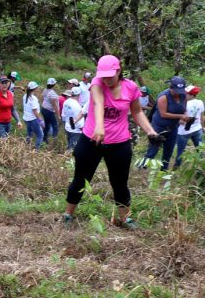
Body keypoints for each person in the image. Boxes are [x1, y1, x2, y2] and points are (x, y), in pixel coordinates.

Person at [62, 55, 159, 229]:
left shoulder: (131, 87)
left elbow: (137, 112)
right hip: (91, 140)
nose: (106, 79)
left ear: (119, 71)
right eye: (103, 75)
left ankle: (125, 218)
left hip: (119, 143)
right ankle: (68, 215)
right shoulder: (97, 83)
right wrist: (99, 127)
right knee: (81, 179)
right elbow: (98, 103)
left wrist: (150, 131)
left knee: (120, 183)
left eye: (110, 76)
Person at [141, 76, 188, 170]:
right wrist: (180, 117)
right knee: (153, 149)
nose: (178, 92)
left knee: (169, 150)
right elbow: (163, 114)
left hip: (173, 127)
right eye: (176, 90)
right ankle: (142, 167)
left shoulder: (183, 95)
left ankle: (164, 170)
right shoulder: (164, 96)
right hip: (159, 127)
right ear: (171, 87)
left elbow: (184, 109)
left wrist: (186, 115)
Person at [175, 85, 203, 168]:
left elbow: (180, 121)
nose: (184, 94)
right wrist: (203, 127)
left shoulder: (183, 104)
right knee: (200, 150)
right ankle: (201, 166)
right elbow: (201, 117)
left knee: (180, 151)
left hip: (183, 132)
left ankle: (176, 167)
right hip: (197, 129)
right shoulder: (200, 102)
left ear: (192, 95)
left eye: (187, 93)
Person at [22, 81, 46, 149]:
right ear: (35, 88)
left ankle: (26, 146)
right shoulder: (33, 99)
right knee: (40, 135)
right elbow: (35, 111)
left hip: (26, 118)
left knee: (29, 133)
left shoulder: (25, 96)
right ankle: (36, 150)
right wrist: (40, 121)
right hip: (33, 119)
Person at [41, 78, 61, 142]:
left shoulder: (45, 90)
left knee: (47, 125)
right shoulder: (52, 93)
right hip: (49, 111)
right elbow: (54, 105)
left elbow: (43, 97)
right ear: (54, 84)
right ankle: (54, 140)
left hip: (44, 109)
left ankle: (45, 138)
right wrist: (58, 115)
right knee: (55, 126)